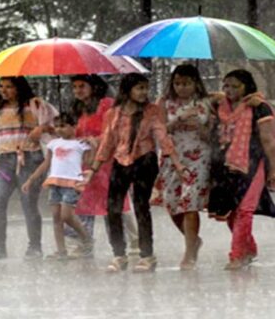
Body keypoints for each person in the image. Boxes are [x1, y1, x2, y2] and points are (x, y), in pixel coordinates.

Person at [83, 73, 188, 273]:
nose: (143, 92)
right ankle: (119, 255)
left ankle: (147, 255)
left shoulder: (151, 111)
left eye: (145, 88)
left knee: (141, 208)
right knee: (113, 208)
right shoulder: (113, 113)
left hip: (144, 160)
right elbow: (107, 143)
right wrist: (93, 170)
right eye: (139, 88)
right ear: (128, 90)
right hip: (120, 161)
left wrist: (177, 164)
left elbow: (162, 138)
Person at [208, 69, 275, 270]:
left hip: (253, 164)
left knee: (245, 210)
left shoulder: (259, 107)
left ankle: (236, 256)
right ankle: (249, 248)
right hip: (225, 166)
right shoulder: (219, 106)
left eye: (236, 86)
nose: (230, 90)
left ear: (247, 87)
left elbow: (269, 141)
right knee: (231, 213)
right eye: (226, 85)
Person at [0, 76, 58, 261]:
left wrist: (42, 128)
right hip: (3, 160)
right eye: (1, 87)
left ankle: (34, 247)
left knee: (29, 203)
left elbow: (56, 125)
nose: (3, 91)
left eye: (9, 87)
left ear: (19, 88)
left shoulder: (36, 105)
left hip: (30, 158)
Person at [67, 74, 139, 258]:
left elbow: (115, 130)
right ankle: (83, 242)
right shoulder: (78, 109)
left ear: (94, 87)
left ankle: (130, 241)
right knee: (84, 203)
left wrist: (95, 140)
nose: (78, 91)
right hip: (86, 162)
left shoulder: (107, 104)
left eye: (82, 86)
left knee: (114, 202)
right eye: (74, 87)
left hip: (107, 161)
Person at [153, 64, 213, 270]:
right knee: (171, 203)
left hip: (198, 158)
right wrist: (178, 120)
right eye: (177, 83)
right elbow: (159, 129)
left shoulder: (205, 103)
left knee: (190, 204)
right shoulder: (164, 103)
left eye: (186, 83)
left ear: (195, 83)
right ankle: (194, 240)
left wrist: (201, 126)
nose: (182, 87)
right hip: (172, 156)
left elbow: (211, 135)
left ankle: (189, 254)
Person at [21, 113, 94, 260]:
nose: (59, 129)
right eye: (57, 126)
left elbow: (89, 163)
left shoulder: (80, 144)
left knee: (67, 216)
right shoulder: (53, 144)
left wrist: (94, 147)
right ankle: (61, 251)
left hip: (72, 182)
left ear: (74, 127)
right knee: (56, 218)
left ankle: (86, 239)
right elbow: (45, 163)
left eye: (63, 126)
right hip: (55, 183)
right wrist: (31, 179)